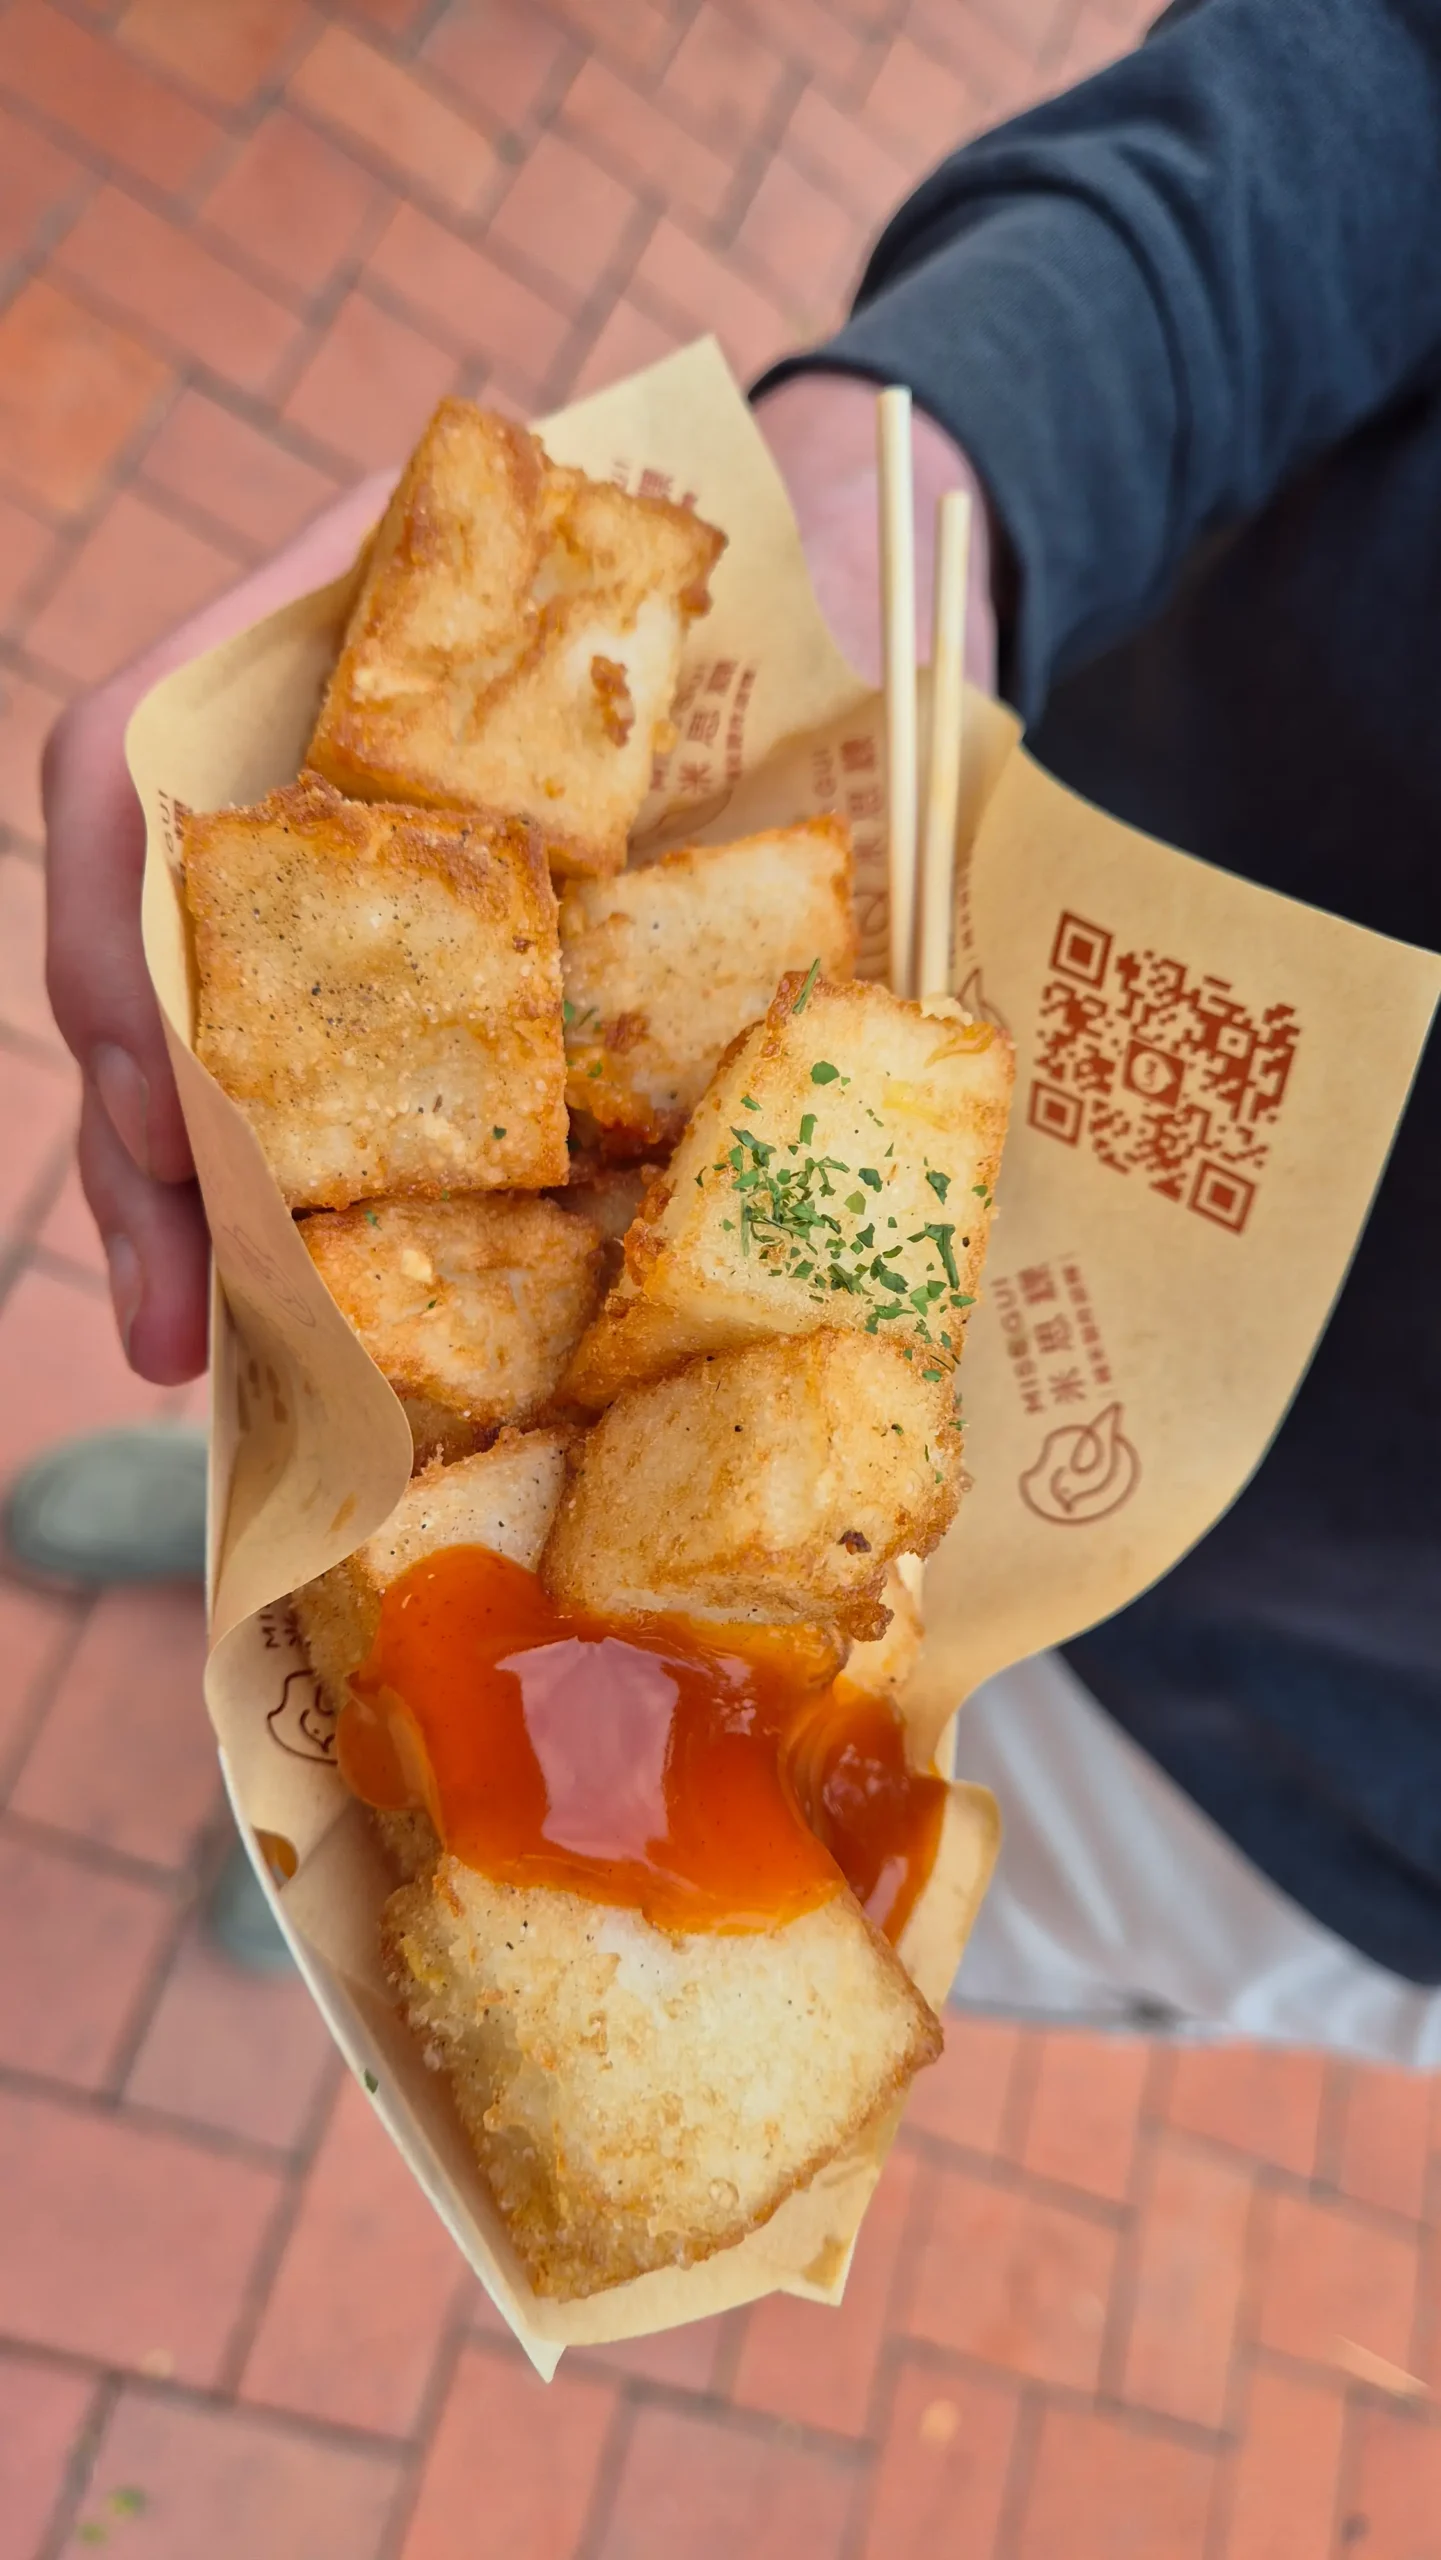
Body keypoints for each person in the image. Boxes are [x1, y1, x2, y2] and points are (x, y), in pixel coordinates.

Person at [23, 0, 1441, 2041]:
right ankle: (310, 1567)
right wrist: (931, 466)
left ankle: (414, 1844)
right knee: (419, 1422)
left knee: (614, 1951)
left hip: (1296, 1783)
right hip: (1005, 865)